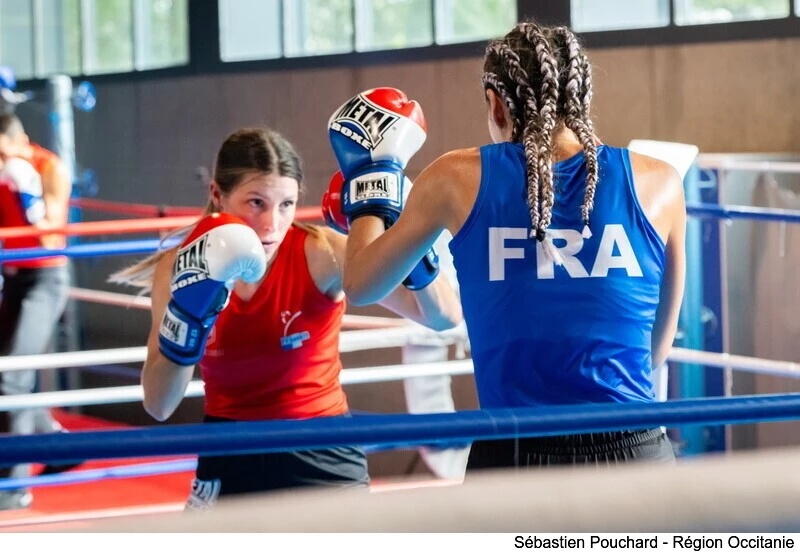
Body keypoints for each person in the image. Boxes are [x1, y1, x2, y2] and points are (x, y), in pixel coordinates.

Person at [333, 21, 686, 469]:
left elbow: (361, 284)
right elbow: (657, 347)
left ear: (496, 104)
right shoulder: (660, 181)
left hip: (516, 455)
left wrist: (370, 178)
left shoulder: (455, 178)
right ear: (581, 97)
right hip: (638, 453)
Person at [111, 124, 462, 510]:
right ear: (217, 194)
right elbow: (159, 404)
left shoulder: (321, 253)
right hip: (228, 450)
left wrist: (405, 240)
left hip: (320, 449)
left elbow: (444, 317)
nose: (272, 224)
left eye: (286, 204)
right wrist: (188, 319)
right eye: (256, 202)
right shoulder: (180, 268)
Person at [0, 114, 73, 510]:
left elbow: (49, 234)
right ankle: (59, 445)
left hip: (45, 279)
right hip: (12, 277)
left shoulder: (48, 168)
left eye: (2, 153)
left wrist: (24, 194)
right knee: (13, 370)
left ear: (22, 140)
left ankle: (13, 487)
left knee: (11, 377)